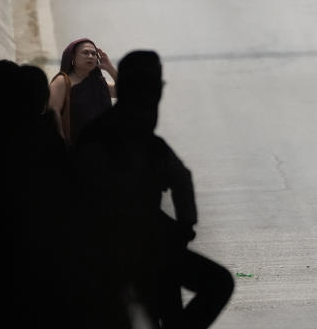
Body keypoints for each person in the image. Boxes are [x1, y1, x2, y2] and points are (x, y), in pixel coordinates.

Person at [72, 50, 234, 329]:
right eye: (150, 91)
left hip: (134, 246)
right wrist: (181, 229)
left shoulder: (114, 138)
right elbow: (180, 181)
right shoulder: (114, 140)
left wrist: (179, 230)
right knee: (214, 284)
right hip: (117, 251)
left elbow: (181, 179)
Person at [48, 38, 117, 145]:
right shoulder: (63, 82)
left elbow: (126, 91)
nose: (90, 56)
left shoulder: (99, 83)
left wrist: (109, 67)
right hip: (76, 149)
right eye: (85, 52)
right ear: (73, 57)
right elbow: (52, 113)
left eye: (94, 54)